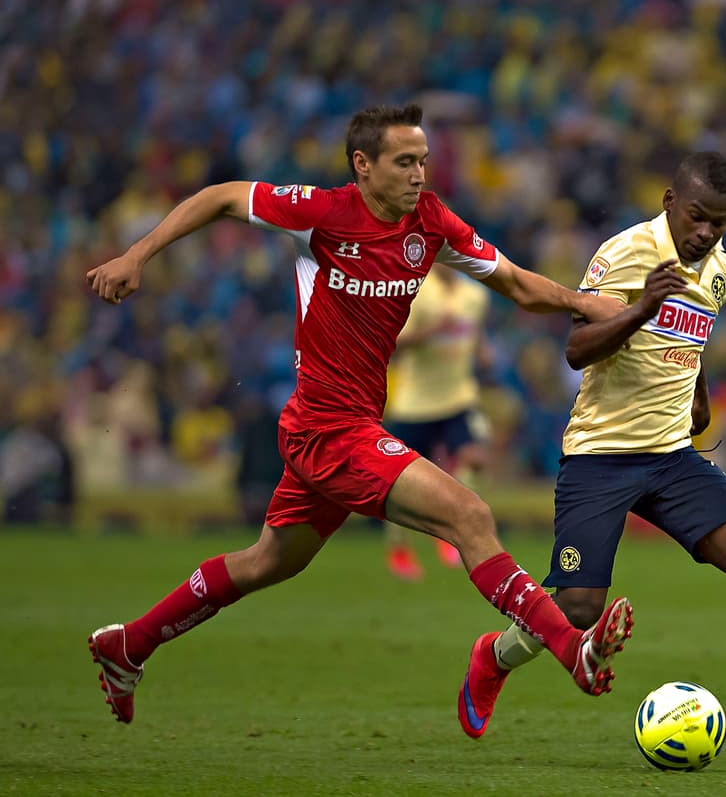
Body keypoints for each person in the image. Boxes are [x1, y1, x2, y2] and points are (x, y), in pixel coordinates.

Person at [84, 104, 635, 725]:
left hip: (348, 429)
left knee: (267, 562)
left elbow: (514, 282)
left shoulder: (430, 223)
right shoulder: (321, 214)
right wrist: (137, 255)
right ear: (363, 165)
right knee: (469, 514)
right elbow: (221, 196)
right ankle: (572, 650)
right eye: (404, 162)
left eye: (423, 161)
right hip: (327, 428)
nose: (418, 174)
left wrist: (584, 302)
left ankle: (129, 645)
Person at [456, 152, 726, 758]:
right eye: (697, 217)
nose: (706, 233)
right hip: (599, 455)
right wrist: (640, 309)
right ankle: (493, 657)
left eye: (720, 223)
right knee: (577, 608)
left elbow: (694, 335)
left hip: (671, 456)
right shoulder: (624, 254)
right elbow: (576, 349)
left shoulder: (723, 272)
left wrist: (698, 394)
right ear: (670, 202)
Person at [383, 266, 492, 579]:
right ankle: (399, 548)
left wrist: (483, 352)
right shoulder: (416, 291)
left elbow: (475, 332)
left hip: (458, 397)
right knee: (397, 480)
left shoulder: (475, 294)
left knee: (474, 459)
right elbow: (394, 343)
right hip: (416, 404)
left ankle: (450, 530)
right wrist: (432, 332)